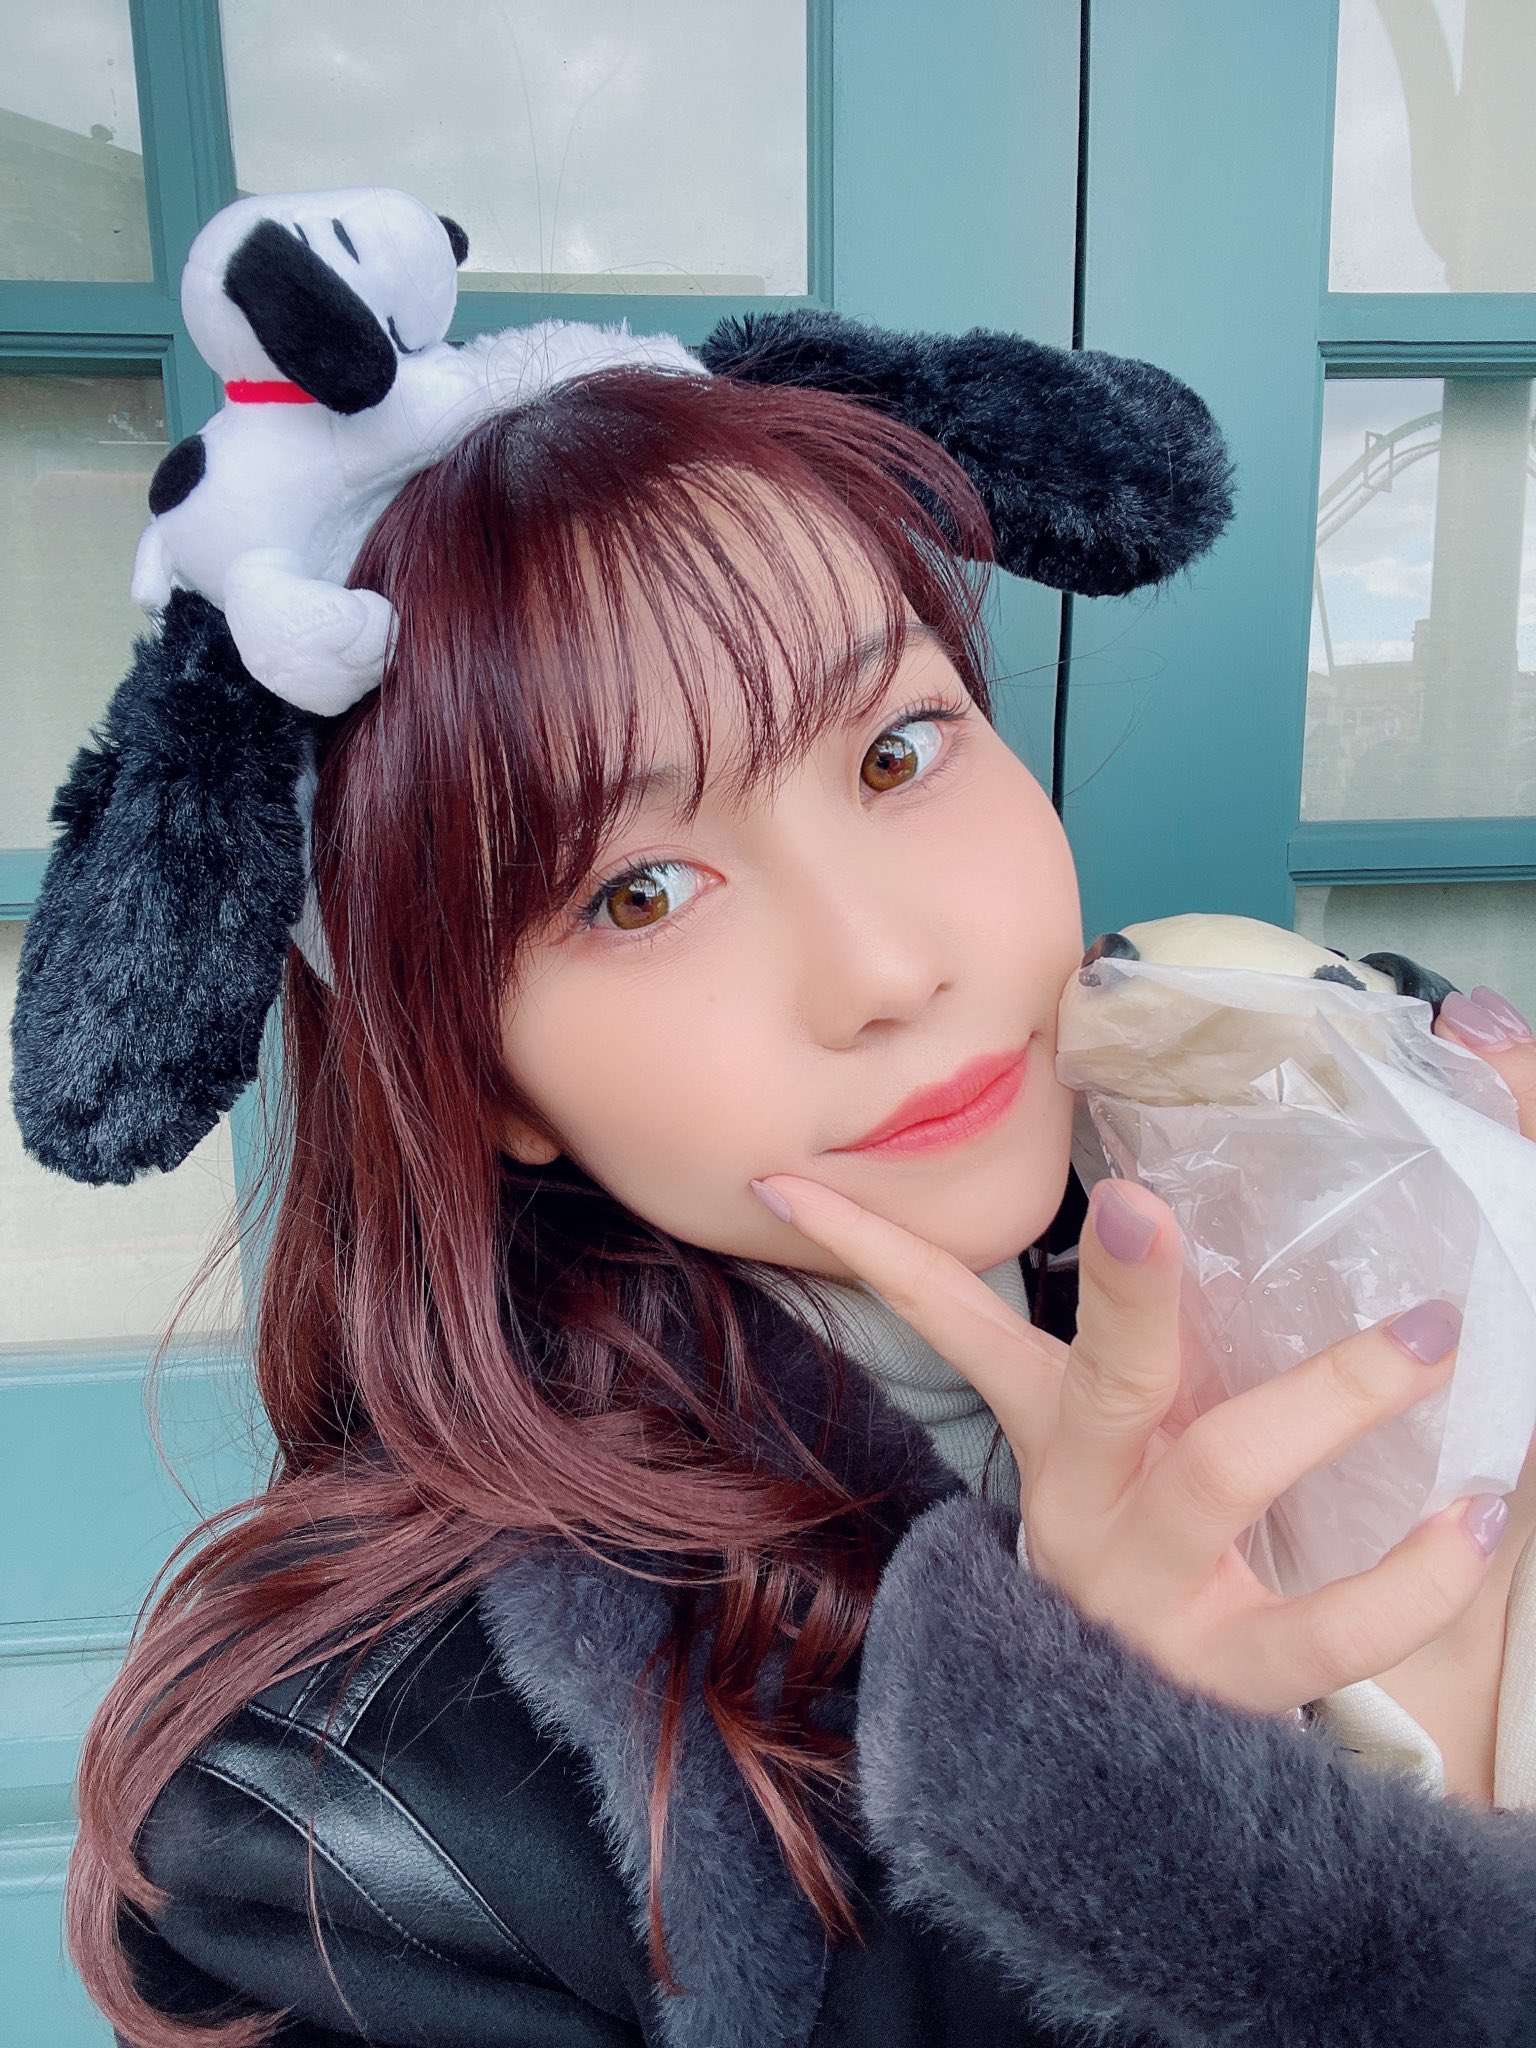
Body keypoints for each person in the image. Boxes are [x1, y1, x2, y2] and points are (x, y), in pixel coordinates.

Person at [57, 365, 1536, 2048]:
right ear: (486, 1078)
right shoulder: (351, 1834)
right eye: (638, 894)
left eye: (899, 751)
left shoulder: (1360, 1184)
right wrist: (1146, 1807)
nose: (887, 968)